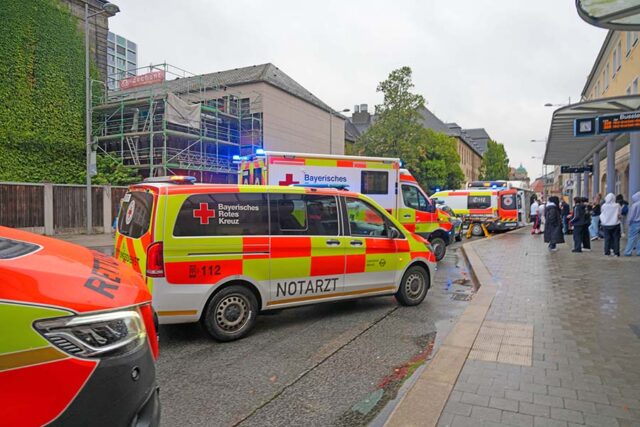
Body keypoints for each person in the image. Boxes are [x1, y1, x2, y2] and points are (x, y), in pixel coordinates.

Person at [623, 191, 640, 256]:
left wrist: (629, 222)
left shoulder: (635, 205)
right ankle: (639, 252)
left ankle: (628, 252)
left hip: (635, 223)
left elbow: (631, 215)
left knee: (631, 238)